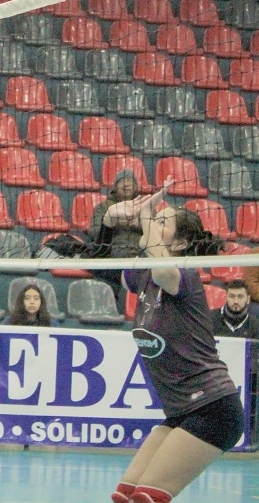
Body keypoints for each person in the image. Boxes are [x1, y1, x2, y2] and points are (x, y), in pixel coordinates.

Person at [102, 179, 244, 503]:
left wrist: (146, 216)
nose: (154, 223)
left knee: (146, 497)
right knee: (125, 494)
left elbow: (162, 264)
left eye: (163, 222)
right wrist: (110, 221)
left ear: (179, 244)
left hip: (213, 408)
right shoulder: (144, 275)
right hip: (180, 411)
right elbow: (107, 267)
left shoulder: (183, 273)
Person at [88, 169, 143, 301]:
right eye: (121, 181)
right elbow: (94, 232)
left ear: (136, 186)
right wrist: (114, 221)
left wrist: (138, 224)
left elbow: (156, 231)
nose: (126, 184)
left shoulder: (145, 207)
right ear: (115, 187)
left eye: (129, 181)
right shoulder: (103, 207)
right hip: (114, 252)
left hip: (140, 253)